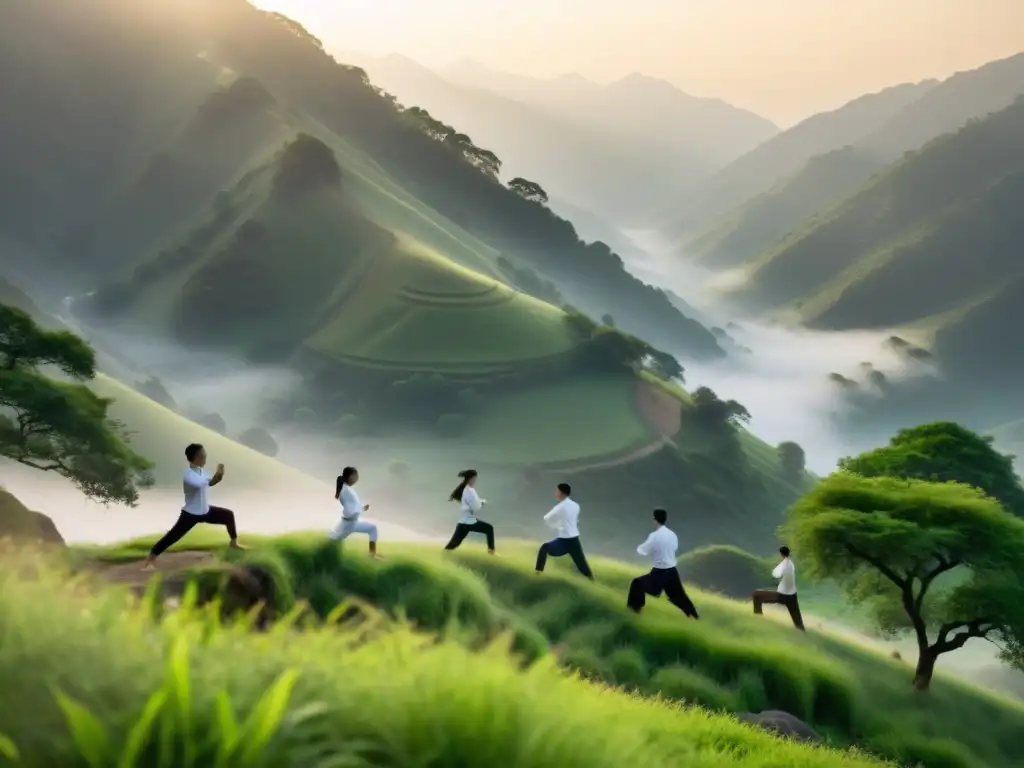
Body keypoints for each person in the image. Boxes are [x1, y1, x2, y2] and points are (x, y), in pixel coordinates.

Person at [142, 443, 245, 570]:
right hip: (191, 514)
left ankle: (233, 543)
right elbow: (201, 484)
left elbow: (211, 482)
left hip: (205, 511)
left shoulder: (202, 471)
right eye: (203, 456)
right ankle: (150, 561)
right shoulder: (189, 475)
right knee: (172, 537)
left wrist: (219, 476)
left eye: (205, 455)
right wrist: (216, 476)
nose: (205, 458)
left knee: (228, 515)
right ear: (195, 457)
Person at [626, 508, 698, 618]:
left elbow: (643, 550)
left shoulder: (654, 536)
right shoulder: (672, 535)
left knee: (637, 584)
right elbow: (674, 548)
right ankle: (695, 617)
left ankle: (634, 613)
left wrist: (639, 549)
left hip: (660, 571)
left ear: (655, 520)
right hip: (672, 571)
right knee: (680, 597)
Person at [534, 482, 593, 579]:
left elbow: (546, 518)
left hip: (564, 540)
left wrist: (556, 526)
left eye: (557, 491)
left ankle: (538, 573)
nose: (555, 493)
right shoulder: (576, 506)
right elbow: (574, 520)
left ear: (561, 493)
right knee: (582, 565)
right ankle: (591, 580)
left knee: (544, 548)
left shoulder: (560, 507)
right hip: (574, 539)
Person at [329, 466, 381, 558]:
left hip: (351, 522)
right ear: (350, 477)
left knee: (373, 528)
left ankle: (372, 554)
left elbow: (352, 506)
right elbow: (349, 510)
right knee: (332, 540)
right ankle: (372, 554)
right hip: (348, 523)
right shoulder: (346, 491)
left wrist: (362, 508)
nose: (357, 478)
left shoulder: (348, 490)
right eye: (356, 476)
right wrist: (359, 510)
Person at [752, 546, 805, 631]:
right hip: (792, 595)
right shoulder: (791, 564)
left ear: (781, 554)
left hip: (782, 595)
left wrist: (775, 570)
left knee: (757, 595)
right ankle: (802, 633)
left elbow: (775, 574)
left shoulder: (784, 564)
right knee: (797, 621)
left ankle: (759, 619)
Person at [443, 469, 495, 554]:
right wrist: (482, 503)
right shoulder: (469, 491)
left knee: (453, 544)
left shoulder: (466, 489)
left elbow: (472, 502)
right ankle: (491, 552)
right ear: (472, 478)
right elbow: (475, 507)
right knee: (489, 528)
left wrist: (480, 502)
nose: (475, 481)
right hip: (468, 522)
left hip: (464, 522)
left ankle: (444, 555)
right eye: (475, 478)